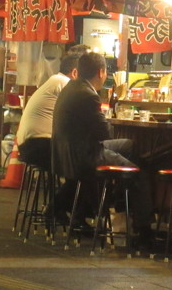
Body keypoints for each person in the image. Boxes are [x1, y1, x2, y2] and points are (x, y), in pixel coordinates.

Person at [52, 51, 153, 240]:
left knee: (129, 146)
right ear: (101, 72)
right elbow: (104, 134)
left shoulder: (71, 88)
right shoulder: (88, 95)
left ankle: (120, 201)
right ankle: (144, 228)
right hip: (85, 156)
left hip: (66, 153)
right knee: (137, 172)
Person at [15, 50, 84, 170]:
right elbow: (79, 114)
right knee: (82, 156)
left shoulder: (55, 81)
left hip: (28, 145)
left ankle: (70, 187)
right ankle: (72, 188)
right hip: (39, 146)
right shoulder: (64, 83)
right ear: (75, 72)